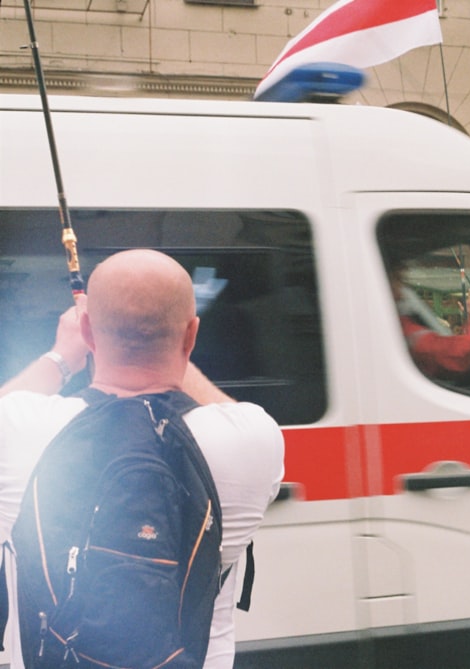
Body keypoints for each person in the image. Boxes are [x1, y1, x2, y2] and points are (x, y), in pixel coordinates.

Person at [0, 249, 285, 669]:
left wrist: (63, 356)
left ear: (88, 332)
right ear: (191, 336)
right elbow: (219, 404)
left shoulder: (21, 429)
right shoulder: (252, 441)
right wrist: (167, 338)